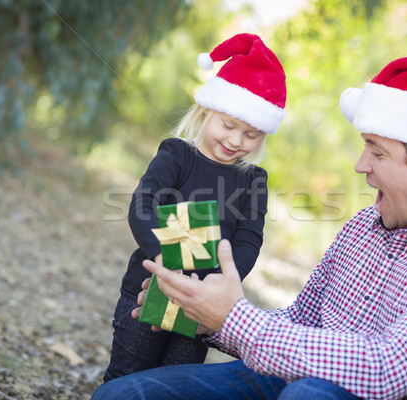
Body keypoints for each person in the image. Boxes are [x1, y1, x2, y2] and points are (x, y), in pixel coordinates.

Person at [93, 51, 407, 399]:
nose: (361, 166)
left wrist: (232, 319)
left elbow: (387, 368)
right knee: (124, 394)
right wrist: (206, 315)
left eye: (376, 153)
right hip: (291, 378)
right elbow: (302, 321)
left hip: (345, 391)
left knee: (310, 394)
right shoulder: (365, 228)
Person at [102, 33, 287, 382]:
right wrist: (163, 259)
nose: (235, 141)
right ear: (205, 111)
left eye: (251, 135)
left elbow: (249, 239)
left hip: (202, 302)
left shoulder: (253, 180)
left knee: (175, 383)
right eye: (228, 125)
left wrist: (221, 279)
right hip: (150, 288)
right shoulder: (178, 155)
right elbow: (143, 203)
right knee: (127, 375)